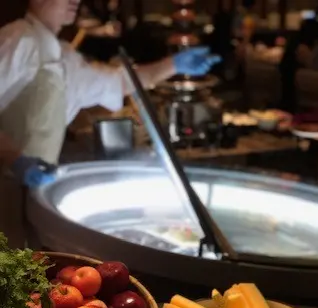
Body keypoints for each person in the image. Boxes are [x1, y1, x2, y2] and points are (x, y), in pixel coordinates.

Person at [0, 0, 220, 245]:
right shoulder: (18, 39)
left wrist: (174, 64)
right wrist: (15, 158)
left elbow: (118, 82)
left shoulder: (63, 55)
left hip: (31, 196)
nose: (75, 0)